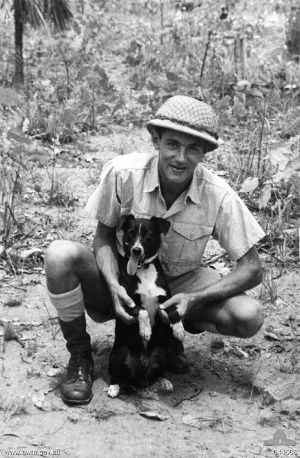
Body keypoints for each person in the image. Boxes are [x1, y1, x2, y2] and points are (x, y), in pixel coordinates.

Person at [45, 95, 265, 405]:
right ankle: (80, 357)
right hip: (126, 276)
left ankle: (169, 341)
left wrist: (196, 298)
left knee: (249, 315)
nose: (181, 157)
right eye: (173, 144)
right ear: (156, 140)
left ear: (204, 154)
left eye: (193, 149)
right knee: (59, 255)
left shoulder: (218, 194)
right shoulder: (123, 173)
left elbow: (253, 268)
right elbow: (104, 237)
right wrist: (112, 282)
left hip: (180, 283)